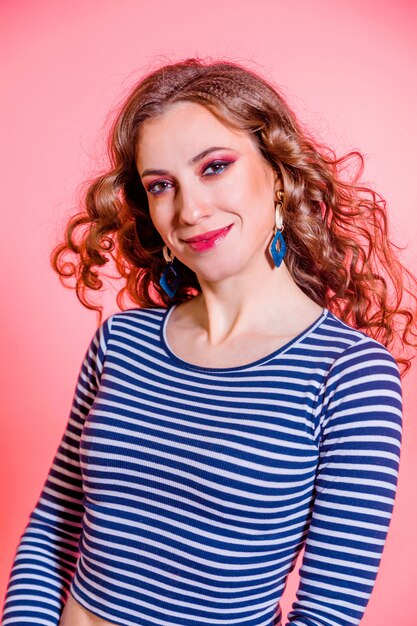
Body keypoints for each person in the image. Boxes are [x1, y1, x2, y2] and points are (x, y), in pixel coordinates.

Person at [2, 57, 416, 626]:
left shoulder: (348, 375)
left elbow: (328, 612)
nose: (190, 210)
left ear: (279, 174)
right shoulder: (122, 340)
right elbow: (54, 521)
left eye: (215, 167)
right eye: (161, 185)